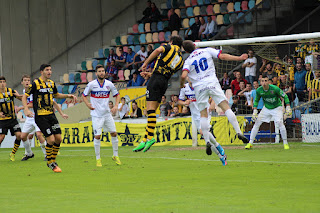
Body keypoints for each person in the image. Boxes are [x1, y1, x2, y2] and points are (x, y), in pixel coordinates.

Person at [181, 40, 250, 166]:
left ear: (186, 51)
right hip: (211, 83)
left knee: (203, 120)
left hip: (201, 91)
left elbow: (183, 74)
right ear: (195, 45)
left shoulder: (188, 62)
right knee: (226, 107)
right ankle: (238, 132)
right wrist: (239, 58)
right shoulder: (206, 50)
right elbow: (222, 56)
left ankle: (212, 145)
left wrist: (182, 82)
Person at [133, 36, 184, 152]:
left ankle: (150, 138)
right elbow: (166, 73)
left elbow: (157, 51)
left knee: (150, 110)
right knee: (153, 110)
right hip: (164, 82)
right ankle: (144, 140)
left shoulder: (169, 47)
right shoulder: (181, 60)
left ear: (171, 41)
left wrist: (145, 63)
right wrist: (150, 75)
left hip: (156, 80)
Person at [23, 64, 77, 172]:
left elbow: (56, 95)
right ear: (41, 71)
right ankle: (50, 162)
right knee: (51, 139)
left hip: (51, 114)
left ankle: (53, 160)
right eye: (47, 70)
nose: (49, 72)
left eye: (50, 70)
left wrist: (68, 95)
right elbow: (25, 96)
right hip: (41, 116)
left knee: (59, 138)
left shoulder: (51, 83)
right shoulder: (35, 84)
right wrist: (26, 109)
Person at [18, 75, 68, 161]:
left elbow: (48, 102)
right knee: (23, 136)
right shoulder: (25, 92)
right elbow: (24, 98)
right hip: (30, 117)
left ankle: (47, 155)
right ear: (22, 82)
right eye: (25, 80)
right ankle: (29, 153)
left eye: (28, 80)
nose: (27, 82)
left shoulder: (37, 90)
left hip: (40, 116)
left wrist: (22, 108)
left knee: (39, 135)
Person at [82, 64, 121, 167]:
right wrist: (87, 104)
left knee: (114, 133)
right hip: (96, 115)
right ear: (96, 73)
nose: (101, 73)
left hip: (107, 114)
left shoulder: (109, 84)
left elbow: (117, 95)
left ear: (105, 72)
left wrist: (116, 105)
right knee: (98, 136)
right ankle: (98, 159)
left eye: (103, 71)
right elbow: (84, 95)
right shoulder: (91, 84)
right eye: (99, 71)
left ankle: (115, 155)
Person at [245, 73, 291, 150]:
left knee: (280, 123)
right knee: (257, 122)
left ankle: (285, 143)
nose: (264, 83)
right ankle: (250, 143)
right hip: (266, 108)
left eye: (266, 81)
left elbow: (285, 96)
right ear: (260, 82)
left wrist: (288, 107)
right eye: (262, 81)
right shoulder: (259, 90)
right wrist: (255, 110)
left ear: (268, 82)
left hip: (277, 107)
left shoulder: (274, 88)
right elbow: (256, 100)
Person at [0, 76, 22, 161]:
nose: (2, 84)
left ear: (5, 83)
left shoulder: (10, 91)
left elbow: (20, 97)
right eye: (0, 82)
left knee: (19, 135)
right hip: (2, 121)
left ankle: (12, 153)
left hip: (13, 119)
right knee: (1, 138)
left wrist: (22, 95)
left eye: (3, 82)